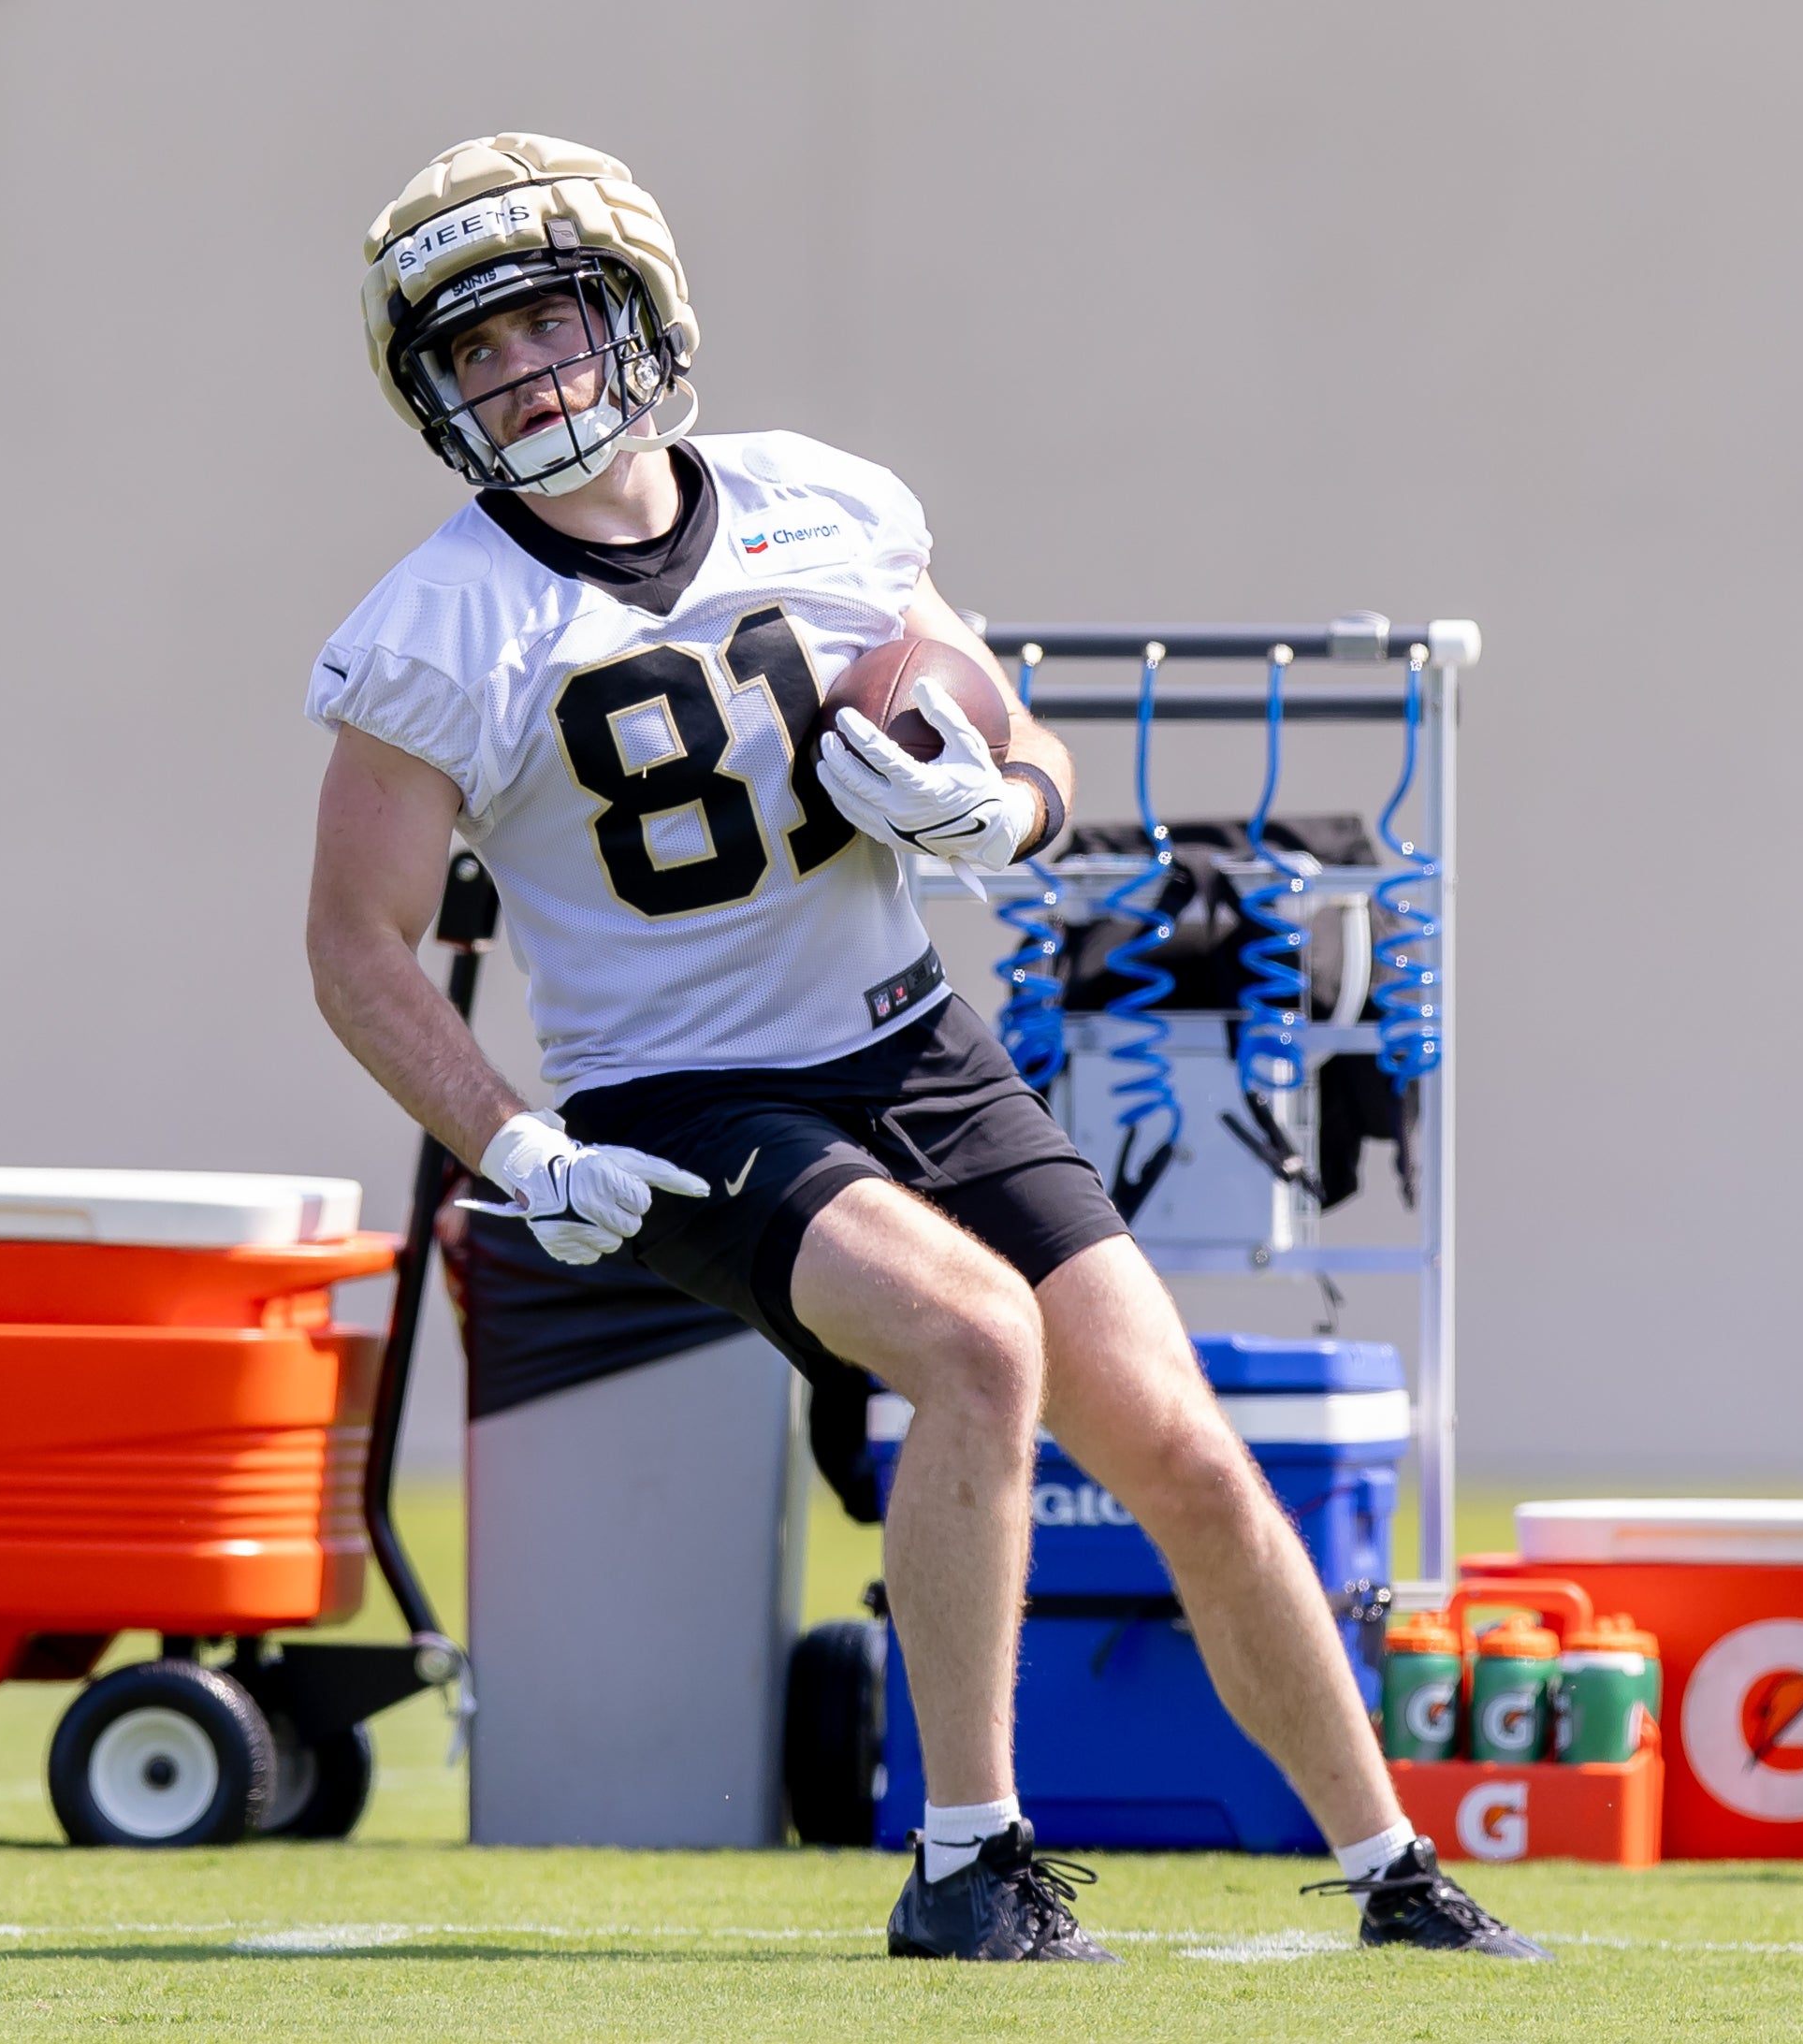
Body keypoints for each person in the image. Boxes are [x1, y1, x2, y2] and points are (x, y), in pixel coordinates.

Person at [304, 132, 1544, 1964]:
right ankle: (968, 1861)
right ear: (433, 396)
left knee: (1187, 1448)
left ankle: (1391, 1870)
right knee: (975, 1344)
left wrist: (1004, 817)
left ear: (638, 314)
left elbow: (1018, 736)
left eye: (547, 321)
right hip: (682, 1098)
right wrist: (520, 1147)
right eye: (472, 352)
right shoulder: (434, 631)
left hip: (912, 1042)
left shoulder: (827, 506)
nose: (522, 374)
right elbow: (352, 946)